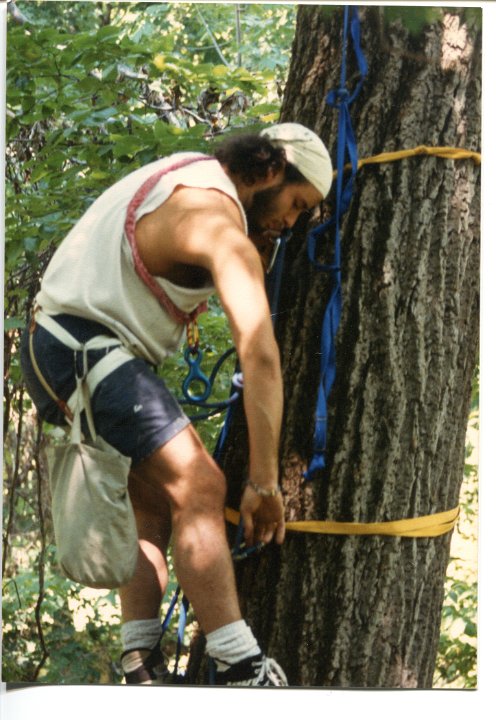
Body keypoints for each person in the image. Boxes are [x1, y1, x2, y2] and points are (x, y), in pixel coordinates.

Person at [20, 123, 333, 686]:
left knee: (156, 503)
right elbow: (260, 356)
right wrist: (264, 482)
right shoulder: (220, 225)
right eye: (294, 202)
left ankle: (139, 661)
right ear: (267, 171)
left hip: (60, 346)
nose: (290, 222)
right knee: (203, 488)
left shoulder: (187, 175)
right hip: (84, 349)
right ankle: (242, 669)